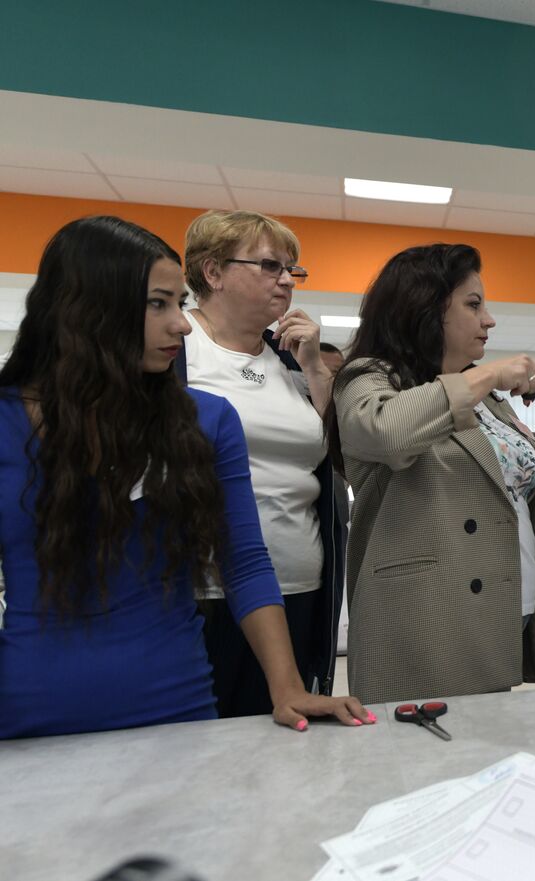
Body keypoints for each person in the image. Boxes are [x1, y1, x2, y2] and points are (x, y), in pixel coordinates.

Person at [0, 215, 371, 738]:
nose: (180, 323)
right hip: (33, 713)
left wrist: (287, 687)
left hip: (179, 701)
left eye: (179, 302)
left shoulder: (208, 417)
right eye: (160, 304)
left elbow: (243, 561)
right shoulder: (7, 420)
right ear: (89, 305)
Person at [333, 243, 535, 702]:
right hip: (426, 624)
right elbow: (387, 431)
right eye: (473, 305)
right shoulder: (369, 378)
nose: (489, 319)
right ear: (423, 308)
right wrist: (489, 375)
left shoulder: (489, 404)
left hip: (508, 614)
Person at [180, 209, 344, 716]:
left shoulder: (291, 360)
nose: (286, 280)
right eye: (270, 266)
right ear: (212, 272)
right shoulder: (176, 347)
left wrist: (316, 367)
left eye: (292, 270)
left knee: (277, 755)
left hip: (300, 586)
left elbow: (338, 455)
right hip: (200, 592)